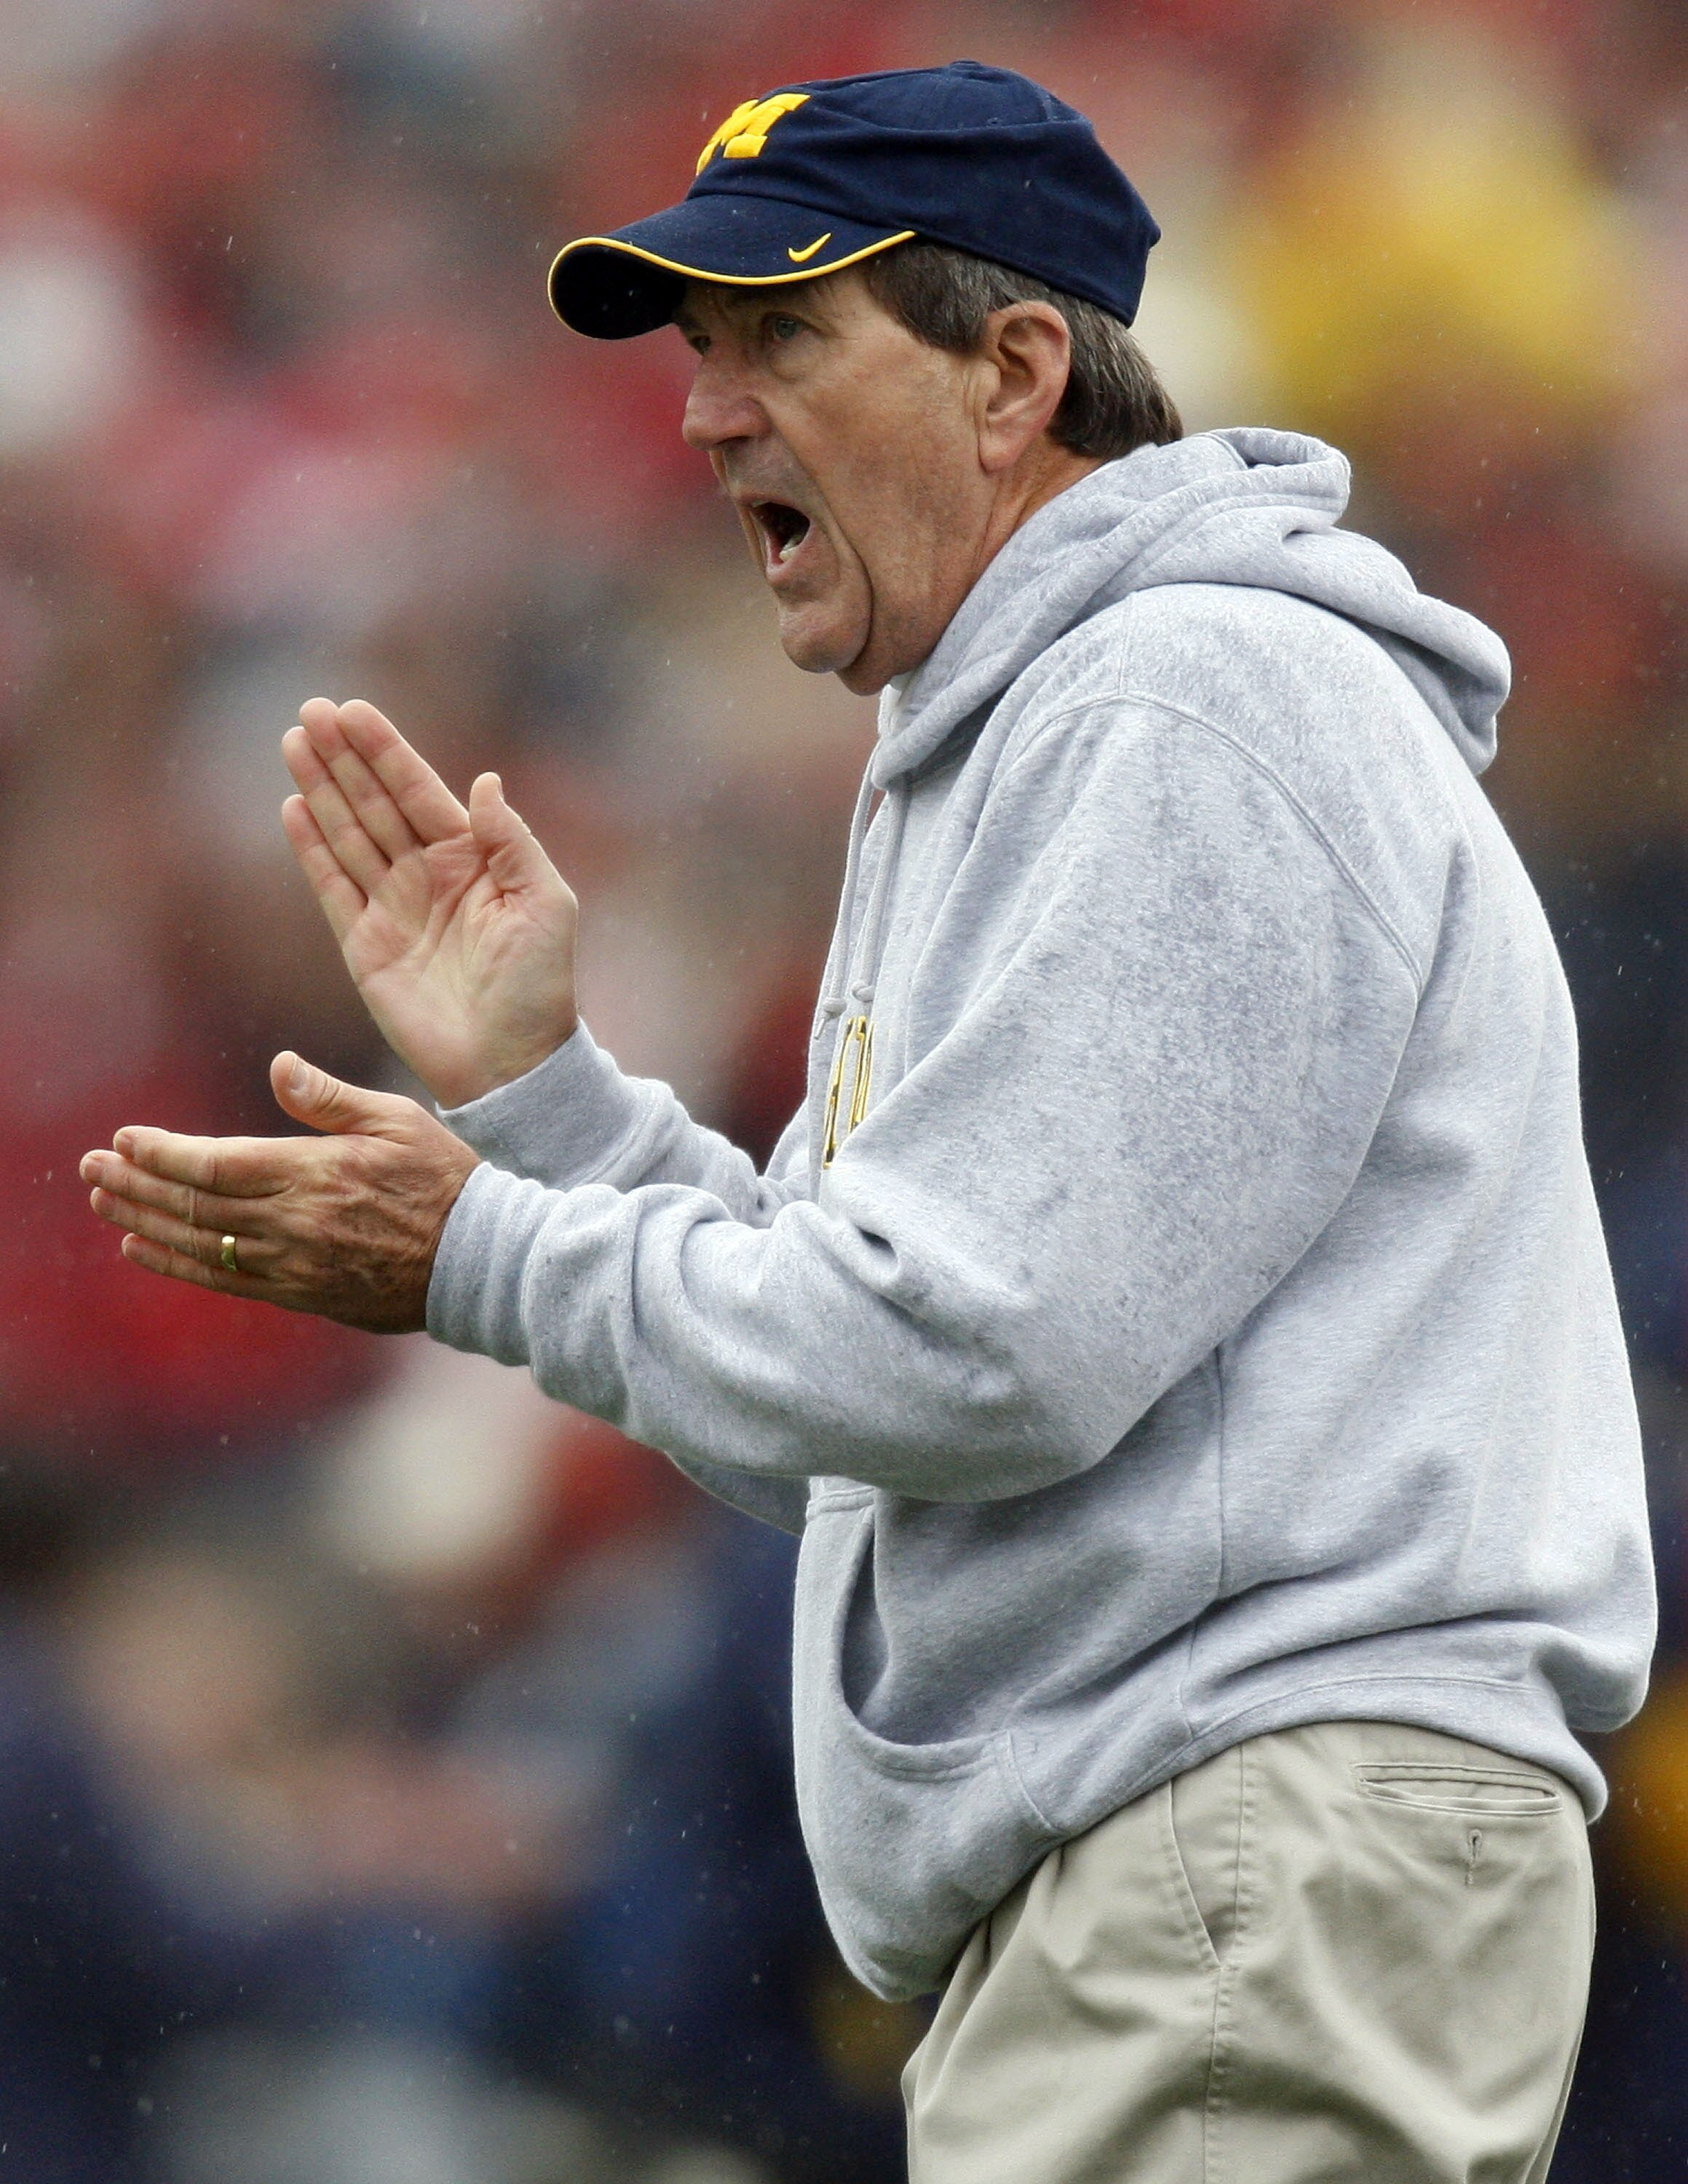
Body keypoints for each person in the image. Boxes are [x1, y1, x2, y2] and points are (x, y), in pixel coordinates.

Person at [82, 60, 1654, 2184]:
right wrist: (548, 1110)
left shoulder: (1178, 694)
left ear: (1017, 370)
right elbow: (848, 1394)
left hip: (1228, 1833)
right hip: (1192, 1856)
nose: (710, 411)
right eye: (702, 355)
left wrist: (474, 1250)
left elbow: (976, 1349)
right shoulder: (1036, 714)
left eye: (785, 337)